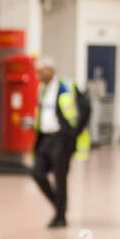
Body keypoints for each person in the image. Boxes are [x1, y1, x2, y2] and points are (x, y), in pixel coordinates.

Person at [30, 58, 90, 229]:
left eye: (42, 71)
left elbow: (86, 107)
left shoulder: (67, 86)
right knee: (37, 172)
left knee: (59, 177)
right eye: (37, 71)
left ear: (51, 70)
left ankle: (60, 215)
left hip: (62, 139)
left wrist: (74, 132)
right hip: (45, 138)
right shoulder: (42, 89)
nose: (39, 75)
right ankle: (59, 204)